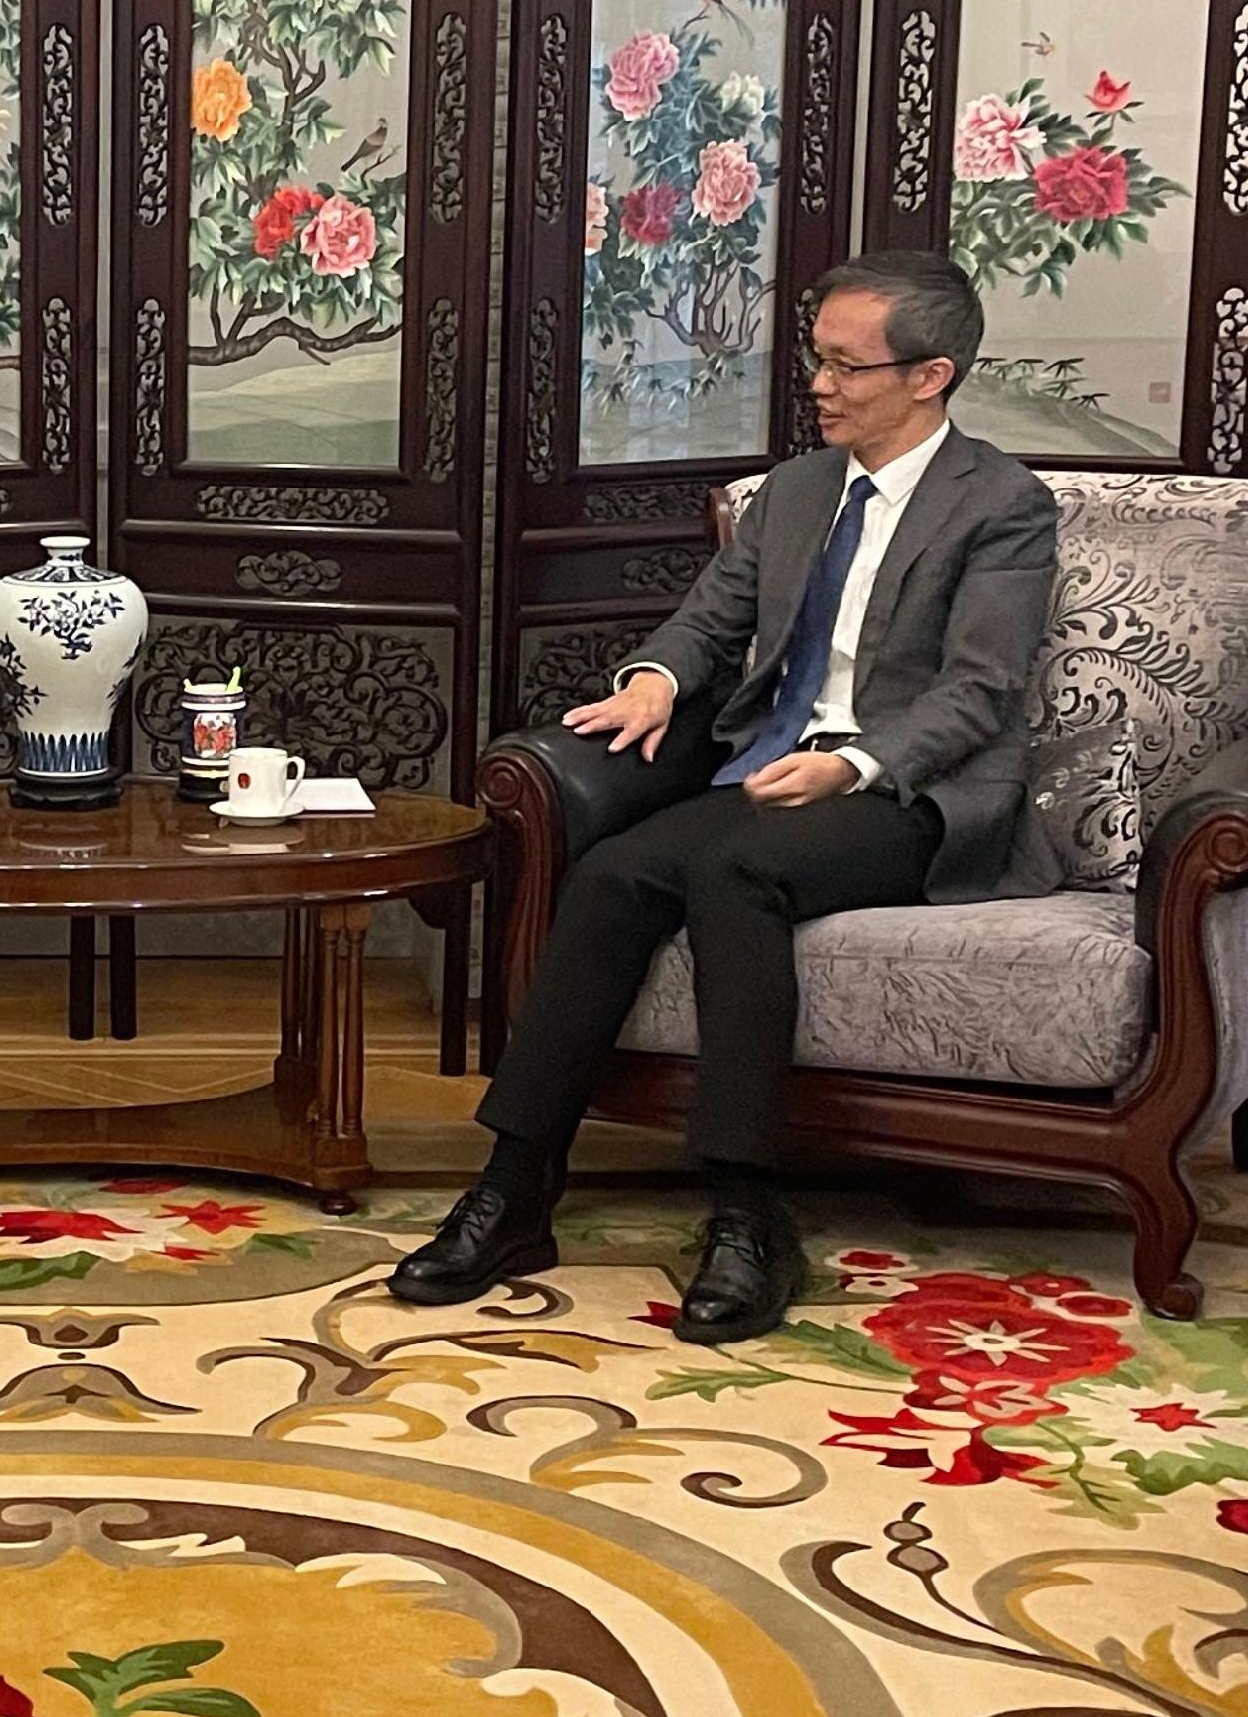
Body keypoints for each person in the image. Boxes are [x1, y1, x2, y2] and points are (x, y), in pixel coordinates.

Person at [397, 251, 1061, 1339]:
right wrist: (654, 681)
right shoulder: (797, 491)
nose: (820, 383)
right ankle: (515, 1186)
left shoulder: (999, 504)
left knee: (731, 866)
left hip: (909, 795)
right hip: (770, 770)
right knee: (609, 875)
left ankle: (749, 1212)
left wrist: (852, 763)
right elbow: (711, 618)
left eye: (848, 365)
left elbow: (978, 693)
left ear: (930, 374)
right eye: (817, 358)